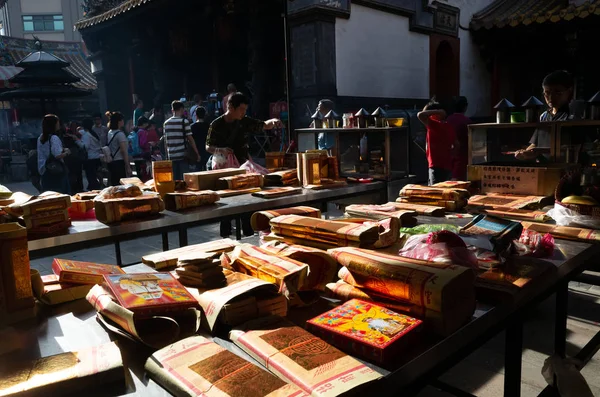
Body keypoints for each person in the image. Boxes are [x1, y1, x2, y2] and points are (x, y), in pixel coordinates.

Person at [206, 92, 281, 237]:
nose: (243, 112)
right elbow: (208, 146)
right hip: (223, 170)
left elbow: (262, 125)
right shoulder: (216, 124)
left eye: (245, 110)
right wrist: (220, 150)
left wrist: (272, 122)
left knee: (246, 200)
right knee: (226, 202)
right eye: (241, 109)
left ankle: (248, 232)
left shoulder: (244, 121)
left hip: (242, 168)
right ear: (230, 107)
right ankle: (226, 235)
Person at [516, 70, 575, 161]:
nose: (551, 97)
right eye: (547, 93)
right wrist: (525, 153)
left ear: (569, 91)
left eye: (557, 93)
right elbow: (535, 144)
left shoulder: (574, 115)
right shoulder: (544, 116)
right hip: (545, 166)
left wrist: (537, 151)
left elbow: (573, 148)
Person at [417, 99, 456, 185]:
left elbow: (420, 115)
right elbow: (456, 145)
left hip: (436, 166)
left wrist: (439, 112)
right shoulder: (448, 126)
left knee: (435, 191)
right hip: (447, 166)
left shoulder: (434, 125)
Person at [163, 100, 201, 180]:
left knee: (174, 181)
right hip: (183, 156)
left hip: (171, 156)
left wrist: (167, 156)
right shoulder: (184, 122)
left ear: (172, 110)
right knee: (184, 180)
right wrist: (197, 153)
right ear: (181, 109)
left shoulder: (166, 123)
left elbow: (166, 142)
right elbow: (190, 139)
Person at [37, 114, 70, 194]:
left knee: (49, 197)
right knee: (61, 195)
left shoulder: (40, 138)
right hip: (56, 172)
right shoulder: (54, 138)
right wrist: (66, 152)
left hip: (44, 170)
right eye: (57, 122)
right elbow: (57, 155)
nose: (59, 124)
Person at [446, 96, 472, 181]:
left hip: (448, 153)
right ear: (465, 106)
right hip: (463, 154)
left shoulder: (447, 120)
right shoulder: (467, 121)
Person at [106, 111, 131, 186]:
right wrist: (127, 165)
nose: (123, 122)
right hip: (119, 162)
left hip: (111, 162)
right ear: (119, 122)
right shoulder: (120, 134)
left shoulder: (110, 132)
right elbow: (123, 151)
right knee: (121, 185)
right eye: (122, 120)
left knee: (114, 184)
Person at [80, 118, 103, 191]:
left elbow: (85, 146)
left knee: (91, 177)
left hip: (90, 158)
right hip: (96, 157)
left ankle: (94, 190)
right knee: (96, 174)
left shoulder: (86, 135)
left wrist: (77, 141)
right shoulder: (93, 133)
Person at [191, 106, 210, 171]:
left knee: (198, 170)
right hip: (206, 151)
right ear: (204, 115)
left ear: (196, 115)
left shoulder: (192, 127)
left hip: (196, 151)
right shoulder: (208, 126)